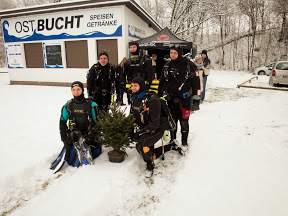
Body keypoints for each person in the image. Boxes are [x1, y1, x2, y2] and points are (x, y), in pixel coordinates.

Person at [130, 76, 183, 177]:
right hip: (146, 127)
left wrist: (140, 132)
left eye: (135, 86)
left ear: (141, 86)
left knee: (141, 145)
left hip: (157, 128)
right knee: (143, 149)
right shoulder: (135, 98)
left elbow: (155, 124)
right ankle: (170, 146)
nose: (133, 88)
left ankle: (150, 164)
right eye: (132, 86)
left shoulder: (153, 100)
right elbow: (133, 115)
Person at [158, 45, 201, 150]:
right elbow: (162, 81)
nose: (172, 55)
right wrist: (159, 94)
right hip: (171, 99)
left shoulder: (189, 65)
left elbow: (196, 83)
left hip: (185, 98)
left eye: (175, 53)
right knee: (172, 120)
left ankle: (184, 142)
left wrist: (196, 99)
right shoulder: (167, 65)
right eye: (171, 52)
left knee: (184, 121)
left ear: (179, 53)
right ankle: (173, 140)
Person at [59, 81, 101, 168]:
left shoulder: (91, 105)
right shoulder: (68, 105)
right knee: (70, 157)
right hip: (75, 135)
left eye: (78, 89)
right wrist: (64, 139)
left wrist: (91, 137)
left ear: (82, 90)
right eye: (73, 90)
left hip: (89, 135)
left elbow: (98, 123)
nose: (76, 92)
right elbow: (62, 123)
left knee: (95, 152)